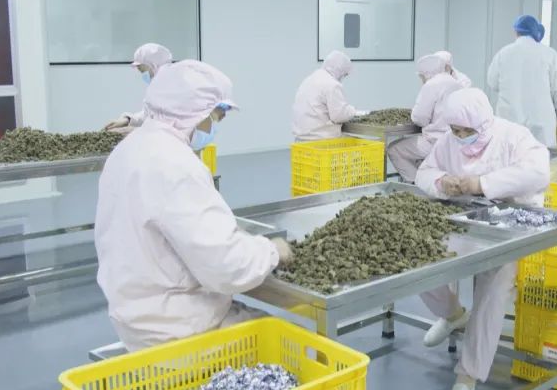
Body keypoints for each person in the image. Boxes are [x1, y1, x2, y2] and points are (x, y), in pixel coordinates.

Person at [95, 60, 293, 351]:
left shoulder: (129, 148)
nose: (217, 124)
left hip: (135, 317)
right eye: (217, 115)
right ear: (196, 112)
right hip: (180, 329)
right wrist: (271, 251)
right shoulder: (175, 165)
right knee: (297, 344)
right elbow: (226, 266)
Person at [415, 87, 550, 390]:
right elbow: (424, 172)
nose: (460, 137)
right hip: (461, 218)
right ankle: (453, 315)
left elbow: (538, 172)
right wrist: (442, 182)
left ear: (483, 125)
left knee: (492, 288)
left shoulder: (513, 137)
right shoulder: (449, 142)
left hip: (508, 226)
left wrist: (482, 184)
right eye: (455, 131)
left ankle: (468, 376)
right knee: (421, 263)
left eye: (466, 132)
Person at [486, 14, 557, 146]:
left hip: (509, 119)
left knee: (510, 154)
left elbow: (492, 83)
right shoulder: (550, 54)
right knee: (540, 155)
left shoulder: (503, 53)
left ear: (516, 31)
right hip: (541, 121)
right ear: (536, 31)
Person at [387, 54, 463, 183]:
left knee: (394, 149)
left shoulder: (431, 85)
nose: (421, 79)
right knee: (416, 157)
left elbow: (419, 119)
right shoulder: (456, 83)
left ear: (426, 74)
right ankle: (426, 180)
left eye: (421, 76)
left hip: (435, 142)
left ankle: (416, 183)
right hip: (455, 142)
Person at [104, 43, 173, 133]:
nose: (143, 74)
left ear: (154, 65)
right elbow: (148, 115)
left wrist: (135, 131)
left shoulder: (175, 90)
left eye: (142, 70)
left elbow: (170, 126)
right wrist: (127, 120)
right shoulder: (156, 89)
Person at [292, 50, 359, 141]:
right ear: (340, 70)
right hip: (319, 139)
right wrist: (354, 111)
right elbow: (339, 116)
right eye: (344, 74)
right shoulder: (332, 84)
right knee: (357, 141)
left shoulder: (309, 79)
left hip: (300, 139)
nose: (343, 77)